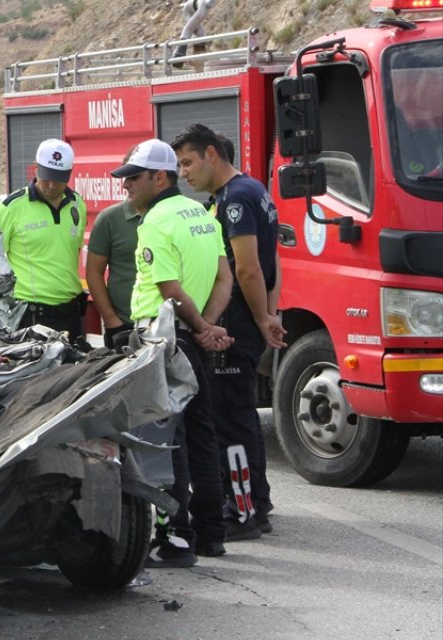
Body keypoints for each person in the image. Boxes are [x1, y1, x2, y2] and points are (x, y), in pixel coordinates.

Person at [111, 140, 233, 566]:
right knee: (201, 436)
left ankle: (176, 538)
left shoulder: (156, 222)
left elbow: (169, 289)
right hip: (190, 340)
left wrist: (199, 327)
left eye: (133, 177)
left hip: (161, 342)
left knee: (164, 442)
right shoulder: (201, 213)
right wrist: (208, 327)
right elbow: (224, 278)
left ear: (158, 178)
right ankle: (211, 534)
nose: (125, 185)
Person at [173, 123, 286, 540]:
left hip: (236, 321)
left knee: (228, 421)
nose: (184, 173)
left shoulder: (235, 199)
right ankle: (257, 499)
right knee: (241, 417)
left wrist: (259, 318)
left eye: (188, 163)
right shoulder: (253, 189)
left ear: (211, 154)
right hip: (248, 317)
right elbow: (276, 260)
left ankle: (241, 511)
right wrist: (272, 313)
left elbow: (249, 266)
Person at [0, 138, 88, 344]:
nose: (52, 185)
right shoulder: (11, 207)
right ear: (35, 169)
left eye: (59, 179)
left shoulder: (77, 205)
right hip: (32, 315)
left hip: (72, 313)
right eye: (46, 178)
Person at [86, 199, 141, 347]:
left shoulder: (171, 215)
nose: (126, 184)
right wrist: (112, 321)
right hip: (124, 325)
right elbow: (94, 273)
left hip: (170, 325)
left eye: (135, 178)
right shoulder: (110, 218)